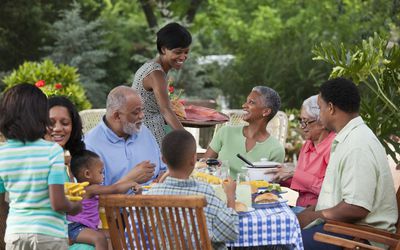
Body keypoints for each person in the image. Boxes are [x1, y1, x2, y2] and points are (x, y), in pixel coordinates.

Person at [298, 78, 398, 249]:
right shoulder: (350, 137)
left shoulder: (358, 144)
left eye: (320, 108)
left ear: (330, 108)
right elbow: (341, 197)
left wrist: (314, 216)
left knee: (283, 242)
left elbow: (356, 208)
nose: (320, 115)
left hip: (360, 236)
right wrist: (312, 210)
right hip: (343, 227)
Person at [0, 83, 81, 249]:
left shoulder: (3, 153)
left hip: (15, 234)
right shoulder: (52, 151)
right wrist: (74, 206)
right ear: (39, 116)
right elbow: (57, 203)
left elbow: (1, 203)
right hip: (49, 235)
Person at [146, 130, 238, 249]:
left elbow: (134, 235)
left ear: (163, 159)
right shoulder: (205, 192)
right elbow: (230, 232)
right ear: (193, 159)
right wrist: (230, 196)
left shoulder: (151, 194)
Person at [85, 86, 166, 188]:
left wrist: (163, 177)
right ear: (117, 116)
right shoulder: (91, 145)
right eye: (136, 112)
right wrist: (129, 180)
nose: (142, 116)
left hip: (156, 199)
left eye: (142, 110)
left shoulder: (143, 130)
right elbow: (91, 196)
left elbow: (163, 168)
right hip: (117, 203)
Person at [203, 86, 285, 178]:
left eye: (251, 102)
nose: (244, 105)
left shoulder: (276, 149)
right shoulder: (225, 132)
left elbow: (270, 185)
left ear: (266, 111)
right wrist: (214, 168)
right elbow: (204, 166)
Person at [67, 149, 141, 250]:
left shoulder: (91, 189)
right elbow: (114, 189)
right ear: (87, 174)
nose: (103, 175)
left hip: (89, 228)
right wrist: (131, 183)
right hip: (76, 228)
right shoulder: (90, 188)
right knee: (99, 239)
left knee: (116, 234)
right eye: (100, 172)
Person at [132, 22, 192, 145]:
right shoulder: (156, 73)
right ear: (164, 49)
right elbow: (166, 110)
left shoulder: (152, 67)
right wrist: (188, 139)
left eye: (186, 52)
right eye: (178, 52)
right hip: (148, 135)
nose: (183, 57)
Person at [270, 95, 335, 208]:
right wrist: (278, 176)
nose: (302, 126)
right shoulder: (308, 145)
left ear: (323, 122)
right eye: (301, 121)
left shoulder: (333, 146)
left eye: (306, 121)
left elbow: (330, 191)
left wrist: (295, 174)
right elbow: (302, 185)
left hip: (320, 213)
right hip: (301, 208)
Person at [45, 96, 86, 181]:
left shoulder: (81, 158)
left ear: (73, 126)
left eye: (65, 123)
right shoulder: (35, 162)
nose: (58, 128)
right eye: (50, 123)